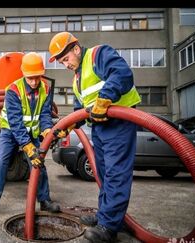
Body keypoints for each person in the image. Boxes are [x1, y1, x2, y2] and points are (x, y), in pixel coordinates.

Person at [48, 32, 141, 242]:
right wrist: (67, 126)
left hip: (119, 123)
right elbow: (79, 111)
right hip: (100, 129)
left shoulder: (98, 55)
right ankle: (106, 215)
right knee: (104, 174)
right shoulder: (77, 80)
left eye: (66, 59)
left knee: (116, 174)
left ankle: (108, 226)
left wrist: (105, 98)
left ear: (76, 49)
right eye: (62, 62)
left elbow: (122, 74)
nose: (66, 64)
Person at [0, 52, 61, 219]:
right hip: (10, 132)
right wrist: (28, 146)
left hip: (32, 132)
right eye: (30, 78)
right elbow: (16, 122)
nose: (33, 82)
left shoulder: (45, 88)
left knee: (38, 163)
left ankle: (44, 200)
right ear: (24, 74)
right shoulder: (13, 90)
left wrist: (47, 131)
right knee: (0, 161)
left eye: (37, 77)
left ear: (41, 74)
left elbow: (45, 114)